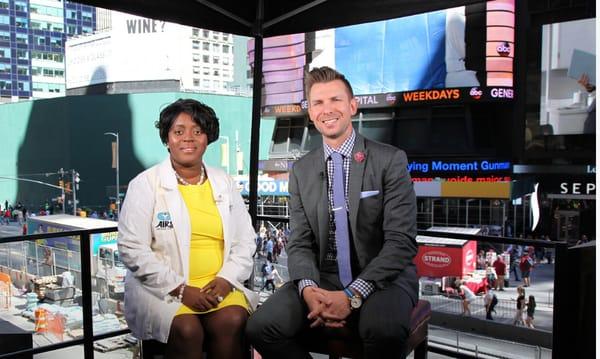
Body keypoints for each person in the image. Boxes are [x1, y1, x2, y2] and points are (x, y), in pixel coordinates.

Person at [246, 66, 418, 359]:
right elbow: (299, 242)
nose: (327, 110)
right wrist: (309, 290)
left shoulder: (389, 160)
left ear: (352, 106)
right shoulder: (301, 170)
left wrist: (352, 295)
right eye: (318, 103)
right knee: (261, 327)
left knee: (384, 331)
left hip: (383, 279)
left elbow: (401, 242)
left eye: (335, 100)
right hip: (324, 278)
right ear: (311, 114)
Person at [118, 99, 258, 359]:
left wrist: (226, 279)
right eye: (178, 131)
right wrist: (181, 289)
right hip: (164, 291)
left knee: (232, 320)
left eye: (197, 131)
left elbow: (245, 239)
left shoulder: (223, 182)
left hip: (218, 286)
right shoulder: (145, 184)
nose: (188, 139)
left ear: (208, 138)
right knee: (187, 329)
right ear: (167, 139)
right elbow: (131, 247)